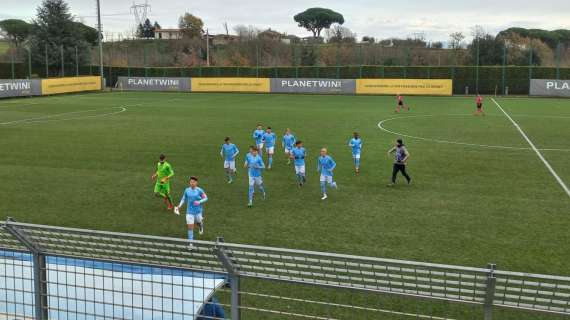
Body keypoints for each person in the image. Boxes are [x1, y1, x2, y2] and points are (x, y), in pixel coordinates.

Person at [174, 177, 208, 248]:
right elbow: (183, 199)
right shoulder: (187, 190)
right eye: (191, 182)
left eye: (193, 182)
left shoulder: (199, 190)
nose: (192, 183)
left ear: (196, 183)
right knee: (190, 228)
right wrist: (179, 206)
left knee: (198, 223)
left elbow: (206, 198)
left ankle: (201, 226)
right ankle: (191, 244)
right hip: (189, 212)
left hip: (198, 211)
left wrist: (199, 201)